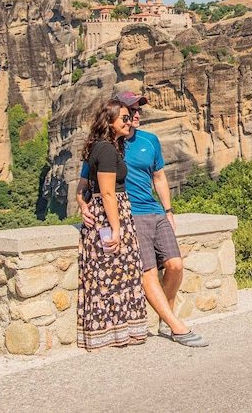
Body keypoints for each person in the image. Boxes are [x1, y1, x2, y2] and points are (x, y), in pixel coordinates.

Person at [77, 91, 208, 348]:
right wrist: (83, 205)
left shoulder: (150, 140)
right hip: (129, 216)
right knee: (147, 272)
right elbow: (86, 185)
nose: (135, 116)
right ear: (115, 114)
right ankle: (175, 326)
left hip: (155, 211)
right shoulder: (108, 145)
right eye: (129, 112)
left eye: (137, 112)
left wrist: (168, 211)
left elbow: (159, 177)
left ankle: (164, 316)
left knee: (176, 265)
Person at [77, 99, 148, 350]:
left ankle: (111, 331)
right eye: (125, 118)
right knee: (115, 274)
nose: (129, 122)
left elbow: (82, 189)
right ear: (110, 122)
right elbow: (107, 193)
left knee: (108, 275)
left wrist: (84, 206)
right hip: (112, 214)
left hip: (104, 213)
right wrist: (117, 229)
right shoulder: (106, 150)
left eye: (130, 118)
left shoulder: (100, 147)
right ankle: (115, 332)